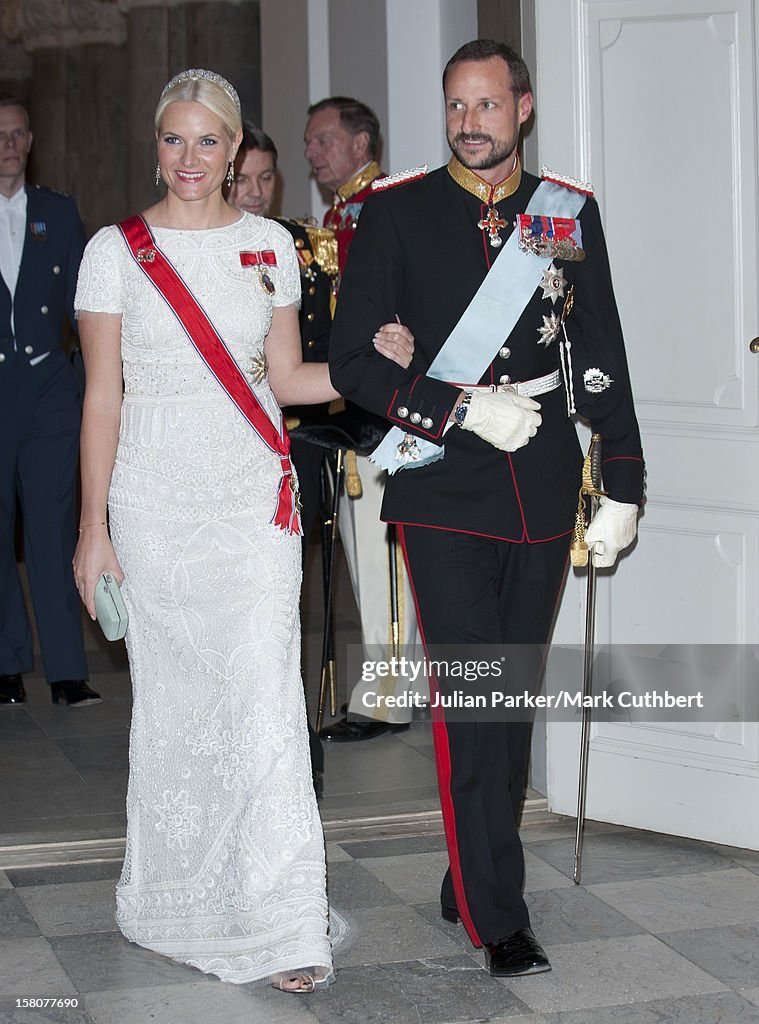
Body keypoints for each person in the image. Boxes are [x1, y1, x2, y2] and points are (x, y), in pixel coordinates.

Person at [71, 68, 413, 993]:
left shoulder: (270, 244)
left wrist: (364, 366)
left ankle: (282, 917)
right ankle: (178, 895)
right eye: (174, 140)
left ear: (235, 153)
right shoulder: (114, 250)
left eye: (208, 141)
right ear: (156, 145)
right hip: (152, 507)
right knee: (180, 713)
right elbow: (102, 399)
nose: (190, 158)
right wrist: (91, 527)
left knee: (265, 705)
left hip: (252, 505)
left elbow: (288, 378)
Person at [329, 40, 644, 977]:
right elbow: (352, 361)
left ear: (523, 108)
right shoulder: (393, 214)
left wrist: (621, 479)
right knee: (474, 703)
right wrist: (458, 407)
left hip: (542, 484)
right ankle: (494, 912)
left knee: (508, 701)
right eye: (455, 106)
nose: (471, 123)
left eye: (487, 106)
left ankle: (470, 867)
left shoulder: (561, 216)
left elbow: (597, 349)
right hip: (441, 486)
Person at [304, 96, 426, 740]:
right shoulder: (339, 214)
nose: (312, 153)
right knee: (363, 551)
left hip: (380, 411)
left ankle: (388, 697)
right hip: (350, 406)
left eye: (323, 140)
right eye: (310, 143)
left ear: (361, 143)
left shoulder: (379, 207)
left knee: (383, 560)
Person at [229, 122, 338, 798]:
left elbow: (317, 344)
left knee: (280, 607)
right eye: (244, 178)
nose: (256, 192)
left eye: (266, 178)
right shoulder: (181, 249)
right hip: (213, 451)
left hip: (290, 445)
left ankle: (291, 748)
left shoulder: (296, 248)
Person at [0, 96, 100, 708]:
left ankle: (66, 671)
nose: (7, 144)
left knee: (52, 529)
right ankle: (6, 665)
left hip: (47, 394)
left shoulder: (57, 213)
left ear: (30, 141)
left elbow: (85, 308)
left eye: (15, 134)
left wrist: (93, 387)